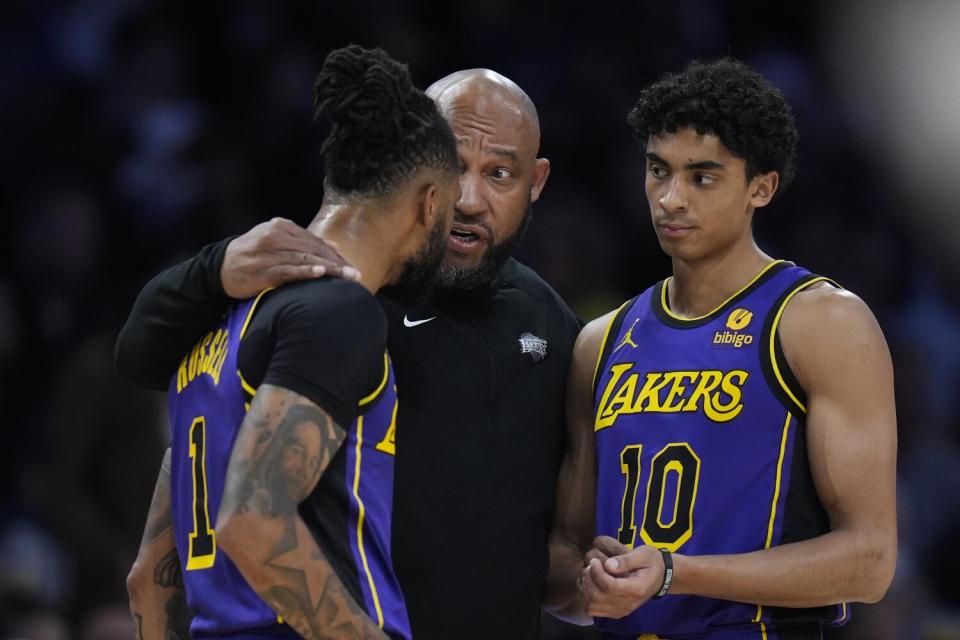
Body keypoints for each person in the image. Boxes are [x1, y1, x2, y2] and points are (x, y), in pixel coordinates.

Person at [117, 67, 582, 638]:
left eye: (499, 174)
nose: (469, 199)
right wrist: (214, 268)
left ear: (535, 181)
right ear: (418, 177)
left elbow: (151, 573)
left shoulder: (550, 323)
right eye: (454, 167)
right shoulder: (335, 300)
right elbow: (251, 516)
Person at [544, 58, 897, 639]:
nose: (670, 199)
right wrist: (586, 580)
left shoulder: (821, 321)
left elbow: (870, 564)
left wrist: (674, 574)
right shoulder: (600, 342)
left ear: (761, 187)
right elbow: (564, 555)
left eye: (701, 177)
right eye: (658, 171)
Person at [124, 44, 459, 640]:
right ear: (430, 203)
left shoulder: (215, 326)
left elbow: (150, 577)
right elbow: (252, 518)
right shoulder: (341, 311)